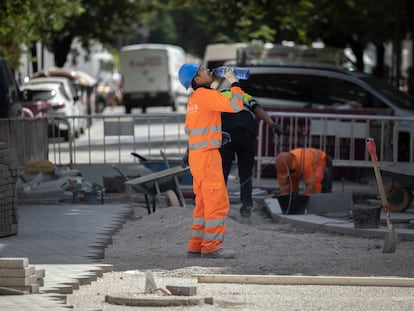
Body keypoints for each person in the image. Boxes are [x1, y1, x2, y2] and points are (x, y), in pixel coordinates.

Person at [178, 64, 245, 259]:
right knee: (216, 201)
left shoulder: (193, 101)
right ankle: (212, 247)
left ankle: (196, 244)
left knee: (203, 204)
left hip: (197, 157)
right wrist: (234, 82)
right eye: (203, 71)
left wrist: (215, 134)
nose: (208, 71)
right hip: (208, 156)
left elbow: (191, 129)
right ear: (197, 80)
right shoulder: (207, 96)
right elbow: (236, 104)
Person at [219, 92, 283, 218]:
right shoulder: (244, 95)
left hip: (228, 132)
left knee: (222, 172)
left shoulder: (218, 94)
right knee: (246, 173)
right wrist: (272, 124)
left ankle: (219, 207)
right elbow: (257, 109)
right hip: (247, 132)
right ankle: (246, 207)